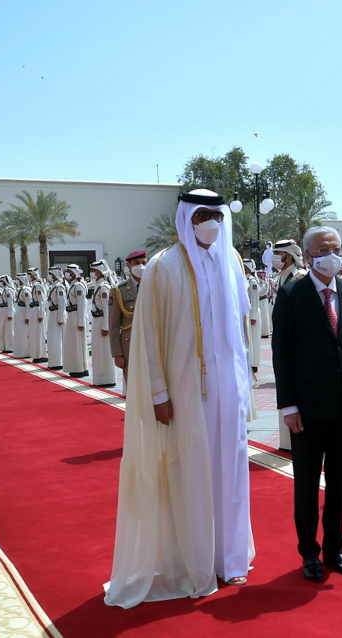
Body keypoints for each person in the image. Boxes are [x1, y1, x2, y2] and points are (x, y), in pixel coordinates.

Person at [105, 189, 255, 608]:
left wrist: (245, 385)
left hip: (228, 389)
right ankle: (195, 563)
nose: (212, 223)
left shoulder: (232, 261)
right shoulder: (163, 267)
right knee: (191, 474)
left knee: (230, 469)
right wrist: (158, 391)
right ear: (186, 219)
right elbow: (148, 337)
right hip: (186, 391)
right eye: (202, 215)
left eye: (217, 215)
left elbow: (239, 328)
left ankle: (229, 558)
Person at [273, 226, 342, 581]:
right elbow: (281, 354)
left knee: (338, 483)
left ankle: (335, 550)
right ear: (309, 253)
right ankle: (309, 554)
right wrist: (288, 406)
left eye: (337, 248)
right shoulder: (290, 295)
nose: (332, 255)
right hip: (306, 408)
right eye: (324, 249)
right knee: (306, 485)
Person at [271, 239, 310, 450]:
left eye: (278, 253)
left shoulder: (301, 277)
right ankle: (286, 443)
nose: (275, 257)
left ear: (289, 255)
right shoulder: (281, 277)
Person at [109, 250, 145, 386]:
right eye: (136, 263)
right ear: (128, 266)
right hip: (129, 346)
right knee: (134, 386)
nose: (141, 266)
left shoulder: (154, 287)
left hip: (152, 345)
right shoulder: (119, 290)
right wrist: (117, 354)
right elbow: (113, 326)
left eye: (144, 263)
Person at [90, 260, 116, 387]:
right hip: (96, 321)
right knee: (97, 351)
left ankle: (106, 378)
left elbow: (107, 309)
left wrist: (106, 326)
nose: (91, 274)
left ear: (99, 272)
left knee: (104, 351)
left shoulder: (104, 287)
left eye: (93, 271)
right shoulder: (97, 285)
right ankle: (99, 378)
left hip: (102, 322)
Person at [63, 264, 89, 378]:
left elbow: (82, 304)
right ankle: (77, 367)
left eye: (69, 271)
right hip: (72, 314)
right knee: (73, 343)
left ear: (74, 273)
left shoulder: (78, 286)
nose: (66, 273)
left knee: (77, 343)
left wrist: (80, 321)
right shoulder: (73, 285)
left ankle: (79, 369)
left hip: (76, 315)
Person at [46, 267, 66, 370]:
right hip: (52, 314)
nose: (49, 276)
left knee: (57, 339)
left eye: (51, 274)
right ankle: (53, 361)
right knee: (52, 339)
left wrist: (61, 317)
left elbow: (62, 303)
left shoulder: (59, 287)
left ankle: (58, 362)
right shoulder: (52, 286)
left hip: (57, 314)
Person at [244, 260, 262, 373]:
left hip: (252, 313)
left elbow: (254, 300)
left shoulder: (252, 281)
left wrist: (253, 316)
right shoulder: (244, 280)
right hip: (246, 313)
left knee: (254, 340)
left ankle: (254, 364)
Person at [28, 268, 48, 364]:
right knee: (34, 334)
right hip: (34, 310)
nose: (28, 276)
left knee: (38, 334)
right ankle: (36, 354)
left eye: (29, 274)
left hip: (37, 312)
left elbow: (42, 301)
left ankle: (41, 354)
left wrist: (40, 314)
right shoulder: (33, 285)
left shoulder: (37, 286)